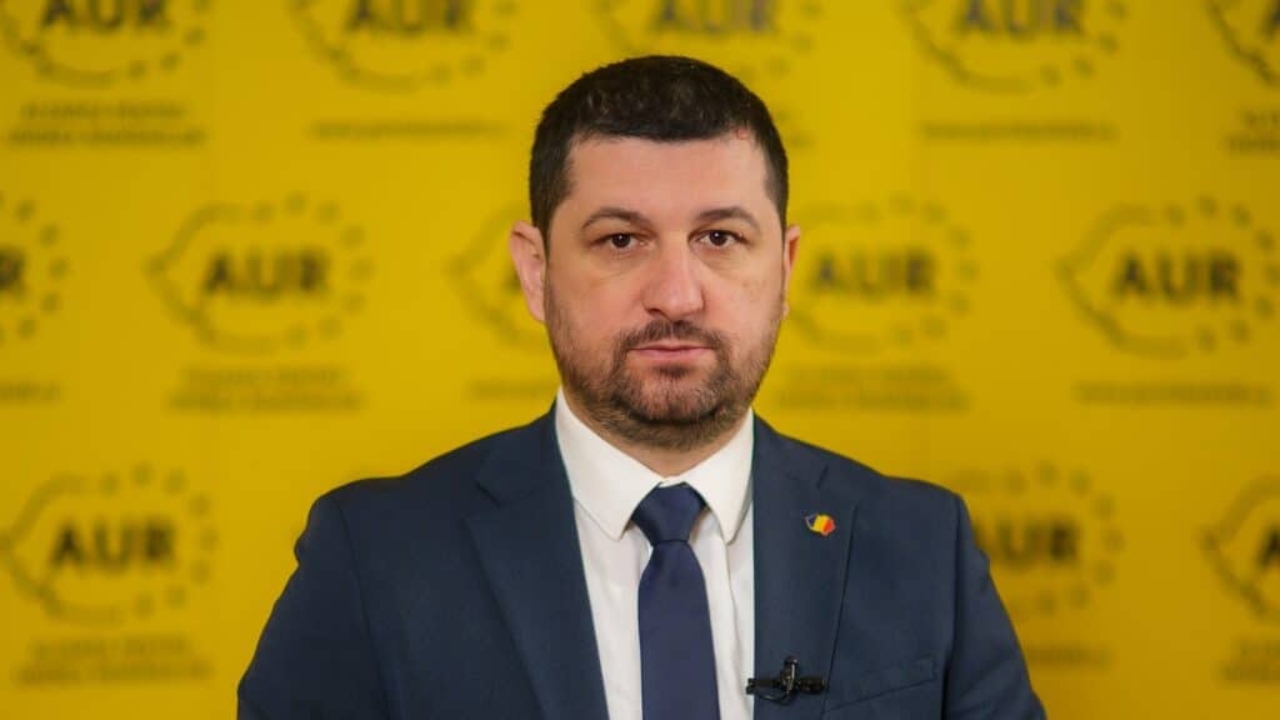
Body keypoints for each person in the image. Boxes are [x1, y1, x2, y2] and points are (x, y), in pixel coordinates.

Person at [239, 55, 1044, 720]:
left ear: (785, 268)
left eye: (720, 237)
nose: (677, 295)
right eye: (621, 240)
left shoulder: (921, 549)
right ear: (536, 270)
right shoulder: (377, 557)